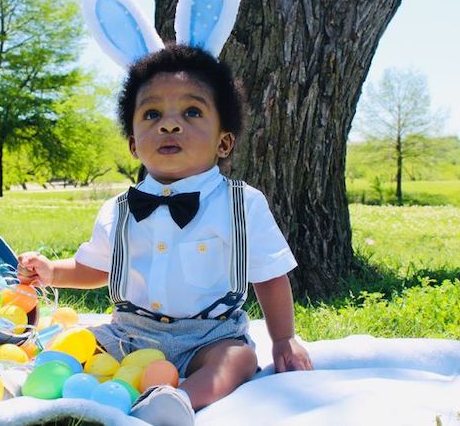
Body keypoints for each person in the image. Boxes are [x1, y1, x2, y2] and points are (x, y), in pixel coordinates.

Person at [18, 43, 313, 426]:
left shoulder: (243, 205)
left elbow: (270, 275)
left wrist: (283, 339)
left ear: (224, 142)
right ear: (133, 145)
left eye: (191, 112)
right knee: (77, 344)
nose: (169, 124)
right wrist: (53, 272)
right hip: (129, 332)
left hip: (209, 336)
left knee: (238, 359)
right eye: (152, 114)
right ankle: (17, 383)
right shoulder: (119, 209)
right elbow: (97, 269)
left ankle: (174, 399)